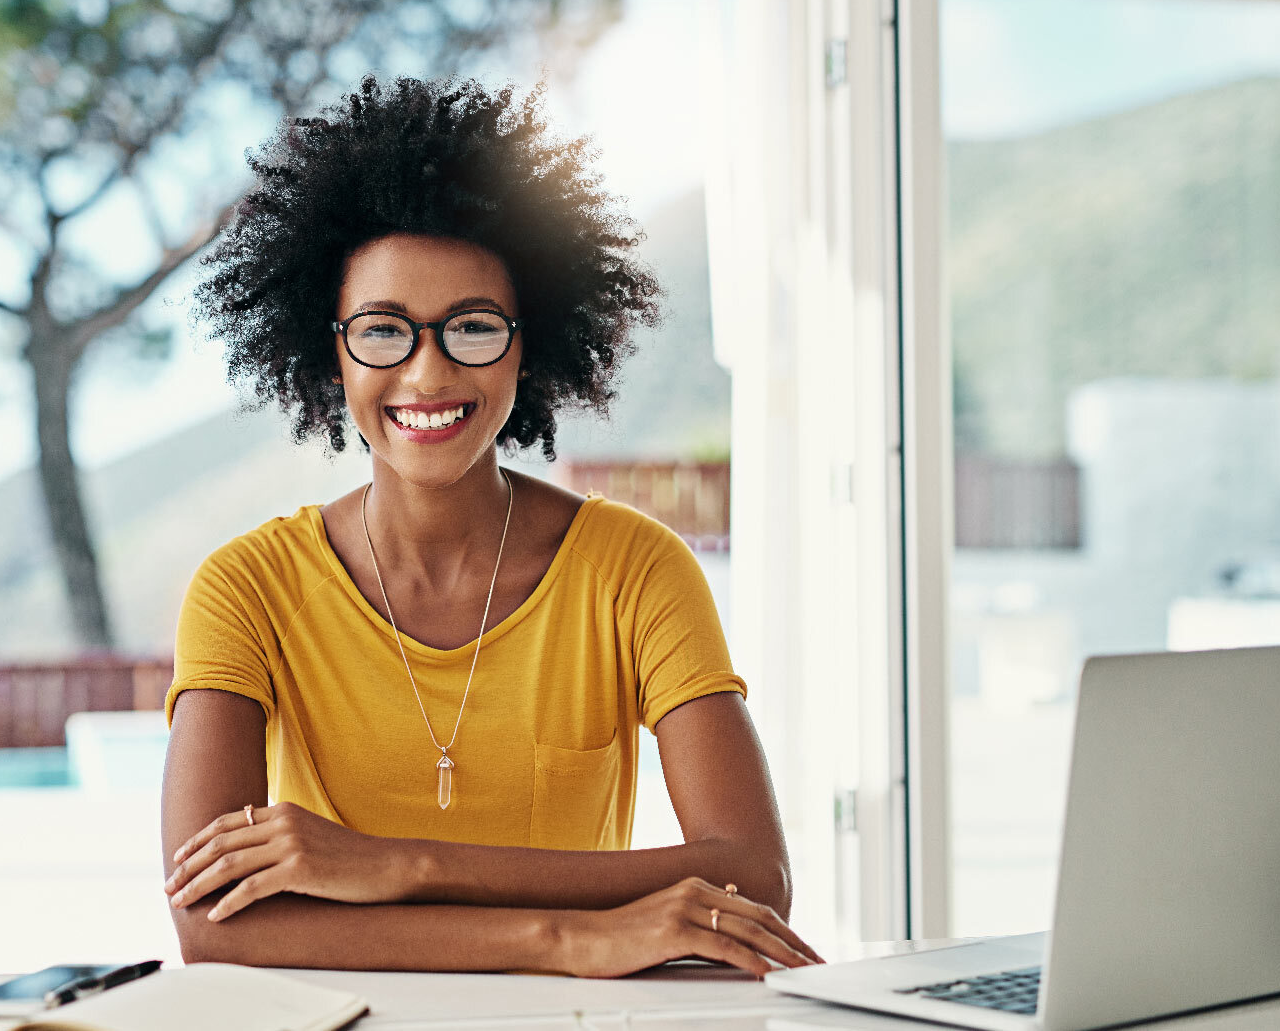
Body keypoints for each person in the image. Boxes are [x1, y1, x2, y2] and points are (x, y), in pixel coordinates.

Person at [160, 76, 821, 978]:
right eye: (384, 331)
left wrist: (400, 865)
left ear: (528, 343)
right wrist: (565, 936)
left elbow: (751, 871)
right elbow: (212, 923)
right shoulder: (248, 588)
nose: (428, 375)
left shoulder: (633, 569)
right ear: (330, 351)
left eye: (471, 328)